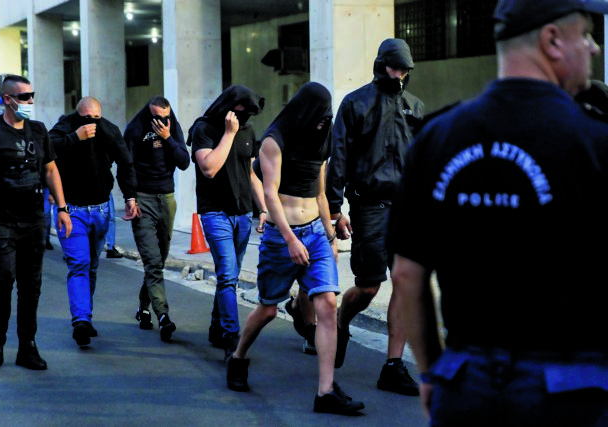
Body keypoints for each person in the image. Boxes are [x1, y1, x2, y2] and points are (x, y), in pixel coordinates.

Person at [393, 1, 608, 425]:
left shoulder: (437, 137)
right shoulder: (595, 141)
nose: (594, 48)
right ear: (552, 40)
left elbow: (405, 275)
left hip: (465, 384)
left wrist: (433, 371)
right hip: (571, 388)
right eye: (586, 34)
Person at [226, 82, 364, 416]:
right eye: (320, 115)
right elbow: (270, 194)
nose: (324, 121)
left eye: (327, 116)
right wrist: (290, 239)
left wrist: (330, 233)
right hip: (280, 235)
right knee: (268, 310)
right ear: (305, 111)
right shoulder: (275, 140)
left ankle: (325, 391)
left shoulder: (322, 137)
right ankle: (238, 357)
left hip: (315, 232)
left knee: (327, 304)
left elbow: (320, 192)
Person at [325, 37, 424, 395]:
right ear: (382, 65)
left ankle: (393, 365)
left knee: (406, 284)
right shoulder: (355, 104)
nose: (400, 75)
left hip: (408, 209)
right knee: (369, 286)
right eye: (395, 68)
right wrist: (334, 208)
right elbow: (338, 156)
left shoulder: (415, 107)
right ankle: (342, 318)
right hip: (369, 206)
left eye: (405, 70)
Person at [0, 74, 72, 370]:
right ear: (8, 99)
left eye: (32, 96)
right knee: (2, 281)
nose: (30, 101)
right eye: (25, 97)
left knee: (31, 286)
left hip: (34, 221)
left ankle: (27, 347)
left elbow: (50, 170)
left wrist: (62, 208)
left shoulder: (38, 130)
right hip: (0, 221)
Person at [49, 96, 140, 347]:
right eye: (86, 118)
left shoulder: (109, 130)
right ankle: (80, 320)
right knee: (79, 264)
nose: (91, 123)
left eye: (96, 118)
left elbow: (125, 163)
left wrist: (130, 196)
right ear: (77, 115)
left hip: (100, 210)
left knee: (91, 265)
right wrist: (75, 137)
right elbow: (47, 149)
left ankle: (85, 316)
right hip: (71, 211)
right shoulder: (65, 127)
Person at [187, 85, 266, 358]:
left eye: (247, 115)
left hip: (243, 214)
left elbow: (251, 174)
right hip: (215, 213)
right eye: (239, 113)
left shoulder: (249, 131)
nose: (243, 119)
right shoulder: (205, 128)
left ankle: (216, 327)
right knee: (228, 276)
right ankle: (232, 338)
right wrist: (229, 134)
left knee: (227, 276)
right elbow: (208, 168)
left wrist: (263, 209)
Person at [124, 95, 190, 341]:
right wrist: (130, 198)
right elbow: (126, 166)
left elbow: (184, 162)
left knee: (159, 259)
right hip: (143, 200)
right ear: (148, 113)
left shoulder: (171, 125)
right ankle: (163, 316)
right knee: (152, 262)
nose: (162, 121)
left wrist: (168, 137)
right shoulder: (135, 128)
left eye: (165, 117)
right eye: (157, 118)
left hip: (167, 199)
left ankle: (143, 307)